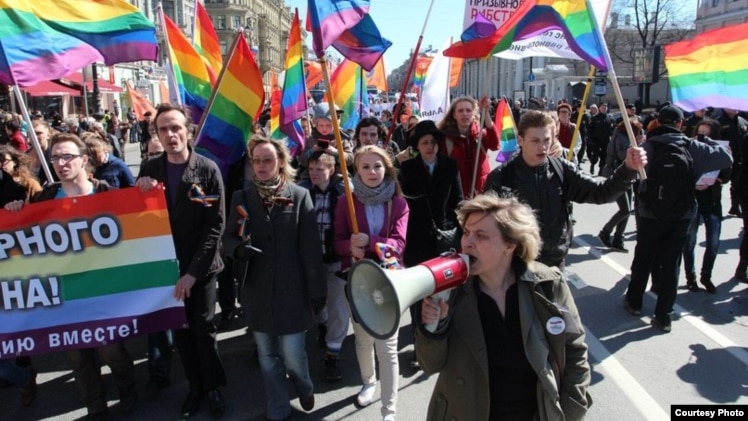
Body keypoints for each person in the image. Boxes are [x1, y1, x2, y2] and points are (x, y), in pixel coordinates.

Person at [415, 194, 592, 421]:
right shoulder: (452, 291)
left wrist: (572, 409)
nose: (467, 242)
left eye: (481, 236)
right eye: (467, 233)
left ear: (510, 244)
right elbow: (430, 364)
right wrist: (433, 328)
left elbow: (574, 348)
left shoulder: (547, 284)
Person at [5, 133, 136, 420]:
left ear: (84, 160)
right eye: (55, 158)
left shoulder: (106, 194)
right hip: (65, 292)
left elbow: (138, 224)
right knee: (78, 356)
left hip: (104, 290)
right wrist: (16, 210)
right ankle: (95, 405)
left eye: (67, 157)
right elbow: (26, 231)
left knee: (111, 350)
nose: (61, 163)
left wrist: (147, 189)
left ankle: (127, 385)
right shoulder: (46, 197)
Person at [222, 136, 325, 421]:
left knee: (293, 355)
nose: (262, 166)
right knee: (267, 357)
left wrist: (317, 292)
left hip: (292, 292)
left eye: (268, 160)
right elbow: (227, 238)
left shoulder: (299, 195)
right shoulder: (241, 198)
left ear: (280, 162)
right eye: (257, 160)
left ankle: (303, 384)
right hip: (257, 293)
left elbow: (310, 249)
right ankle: (278, 405)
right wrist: (238, 249)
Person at [136, 104, 227, 419]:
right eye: (163, 129)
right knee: (182, 331)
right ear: (157, 134)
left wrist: (192, 274)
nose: (170, 135)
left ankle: (213, 387)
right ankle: (195, 388)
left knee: (203, 329)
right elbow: (141, 220)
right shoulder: (150, 169)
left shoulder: (206, 170)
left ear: (188, 130)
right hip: (165, 269)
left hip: (199, 269)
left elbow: (214, 225)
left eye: (176, 128)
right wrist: (140, 194)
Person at [486, 110, 647, 269]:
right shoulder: (502, 178)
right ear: (520, 140)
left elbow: (601, 193)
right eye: (535, 141)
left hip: (555, 264)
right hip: (516, 266)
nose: (542, 147)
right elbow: (485, 226)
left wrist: (628, 168)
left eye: (546, 140)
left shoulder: (561, 170)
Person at [624, 105, 733, 332]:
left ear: (658, 122)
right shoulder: (692, 146)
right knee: (672, 264)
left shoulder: (648, 146)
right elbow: (725, 159)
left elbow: (630, 172)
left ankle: (634, 302)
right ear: (681, 124)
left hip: (650, 213)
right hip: (681, 215)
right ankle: (664, 315)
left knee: (644, 258)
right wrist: (705, 140)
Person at [334, 145, 409, 421]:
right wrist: (349, 248)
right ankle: (368, 381)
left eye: (377, 166)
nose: (372, 172)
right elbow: (338, 241)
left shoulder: (399, 203)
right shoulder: (347, 202)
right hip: (358, 280)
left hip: (389, 280)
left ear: (386, 168)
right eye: (365, 167)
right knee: (364, 339)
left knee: (387, 346)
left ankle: (389, 410)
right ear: (356, 171)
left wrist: (371, 242)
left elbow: (399, 246)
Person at [297, 151, 349, 382]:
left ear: (332, 170)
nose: (315, 173)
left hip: (335, 259)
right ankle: (322, 324)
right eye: (312, 169)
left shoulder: (343, 193)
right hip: (310, 260)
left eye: (320, 169)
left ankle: (333, 355)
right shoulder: (301, 192)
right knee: (317, 302)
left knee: (338, 306)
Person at [398, 120, 463, 266]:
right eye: (425, 142)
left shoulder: (450, 164)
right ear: (418, 146)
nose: (429, 146)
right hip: (417, 233)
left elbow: (458, 198)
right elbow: (404, 202)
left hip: (445, 230)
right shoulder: (407, 168)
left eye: (433, 142)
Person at [682, 118, 732, 293]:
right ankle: (691, 277)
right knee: (689, 241)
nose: (702, 136)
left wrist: (714, 180)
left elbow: (726, 176)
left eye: (706, 133)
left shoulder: (719, 150)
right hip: (693, 199)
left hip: (712, 200)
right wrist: (693, 183)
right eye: (700, 132)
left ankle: (706, 276)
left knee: (713, 242)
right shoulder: (690, 147)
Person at [597, 117, 646, 252]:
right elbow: (622, 156)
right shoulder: (620, 138)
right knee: (625, 209)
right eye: (637, 131)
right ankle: (605, 232)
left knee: (627, 208)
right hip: (618, 176)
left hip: (627, 176)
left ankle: (619, 238)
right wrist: (636, 145)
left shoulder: (623, 137)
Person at [436, 95, 500, 197]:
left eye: (468, 110)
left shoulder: (480, 135)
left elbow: (495, 145)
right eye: (460, 111)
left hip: (481, 194)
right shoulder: (445, 139)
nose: (464, 114)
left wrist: (486, 113)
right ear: (454, 115)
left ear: (473, 114)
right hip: (457, 196)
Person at [296, 102, 354, 180]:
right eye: (321, 125)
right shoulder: (311, 139)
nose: (324, 128)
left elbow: (350, 159)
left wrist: (336, 152)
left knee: (347, 188)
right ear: (316, 124)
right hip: (312, 176)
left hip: (338, 175)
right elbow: (302, 160)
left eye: (328, 125)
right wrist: (312, 151)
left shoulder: (341, 139)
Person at [718, 108, 747, 217]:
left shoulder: (742, 121)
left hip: (739, 158)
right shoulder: (718, 122)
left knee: (737, 184)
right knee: (719, 183)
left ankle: (735, 207)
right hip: (723, 158)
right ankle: (716, 208)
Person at [587, 103, 613, 175]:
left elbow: (611, 130)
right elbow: (589, 130)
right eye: (602, 107)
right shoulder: (595, 118)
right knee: (595, 155)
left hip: (605, 141)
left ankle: (601, 170)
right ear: (599, 108)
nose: (604, 109)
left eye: (605, 107)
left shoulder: (609, 118)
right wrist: (591, 140)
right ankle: (592, 164)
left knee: (604, 156)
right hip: (596, 141)